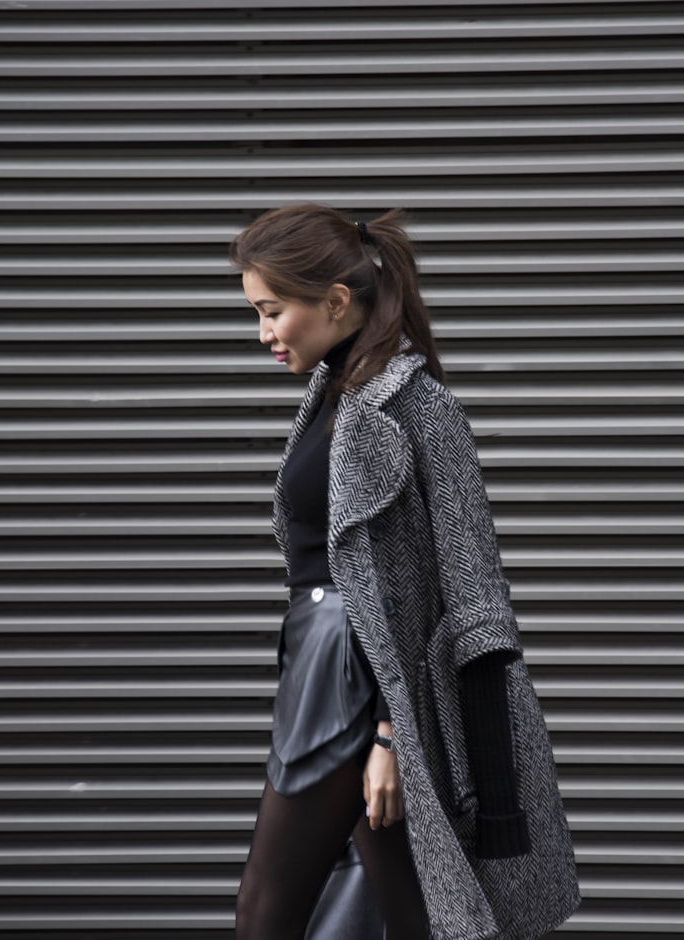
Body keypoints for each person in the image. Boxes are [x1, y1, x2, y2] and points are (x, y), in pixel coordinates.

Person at [229, 204, 580, 940]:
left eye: (272, 311)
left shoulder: (418, 406)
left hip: (359, 688)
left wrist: (390, 734)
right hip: (322, 671)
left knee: (267, 911)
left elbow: (471, 592)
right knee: (409, 914)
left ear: (333, 301)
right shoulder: (335, 397)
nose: (262, 332)